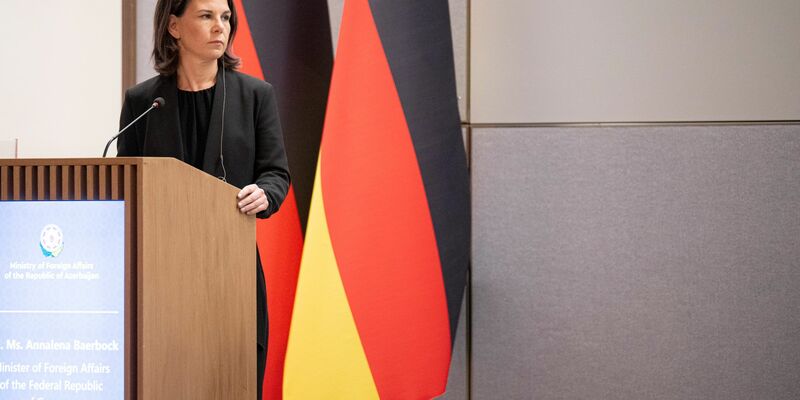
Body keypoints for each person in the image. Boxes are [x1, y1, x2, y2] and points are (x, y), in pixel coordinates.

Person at [117, 0, 289, 398]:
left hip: (231, 269)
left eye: (225, 17)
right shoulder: (143, 102)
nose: (220, 27)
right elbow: (125, 181)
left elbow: (276, 173)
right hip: (161, 275)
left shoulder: (255, 96)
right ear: (174, 26)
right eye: (206, 16)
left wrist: (264, 193)